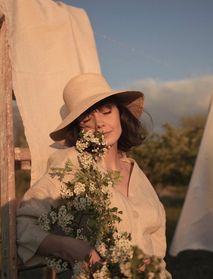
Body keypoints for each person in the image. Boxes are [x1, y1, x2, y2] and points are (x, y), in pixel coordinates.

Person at [17, 73, 171, 278]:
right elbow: (22, 225)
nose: (99, 123)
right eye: (86, 119)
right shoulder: (71, 164)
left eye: (106, 111)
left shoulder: (136, 172)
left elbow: (157, 248)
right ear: (79, 129)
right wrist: (69, 248)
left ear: (119, 114)